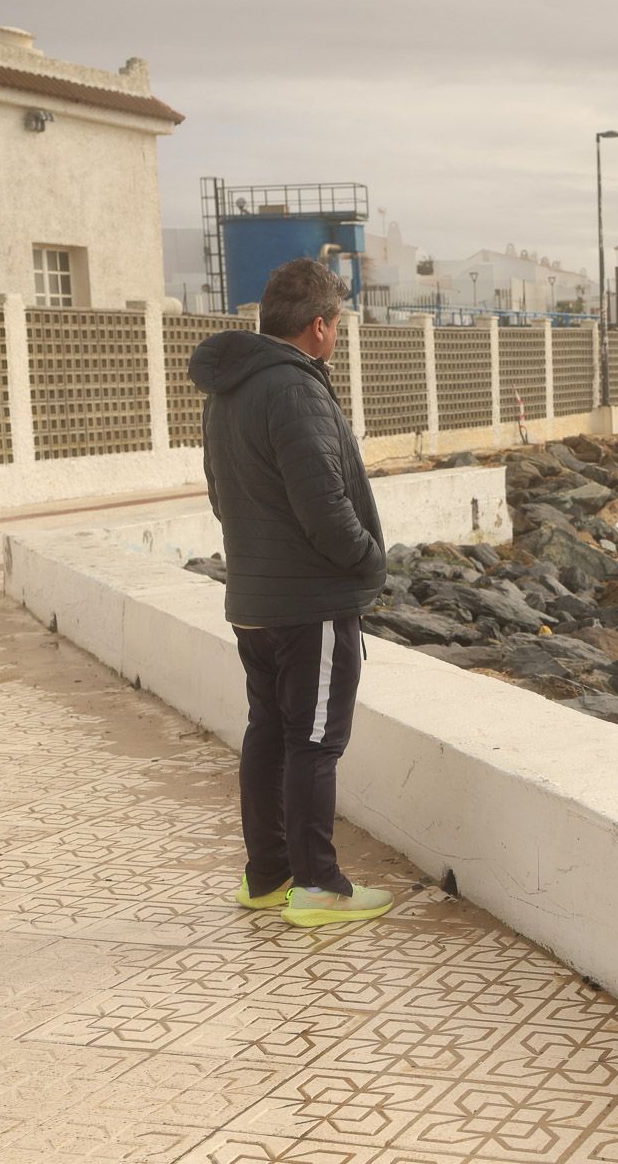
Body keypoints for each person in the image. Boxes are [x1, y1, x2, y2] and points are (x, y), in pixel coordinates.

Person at [191, 258, 393, 928]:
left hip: (253, 598)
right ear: (319, 326)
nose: (337, 334)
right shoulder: (296, 391)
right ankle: (319, 888)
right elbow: (325, 507)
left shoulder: (229, 390)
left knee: (269, 733)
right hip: (311, 603)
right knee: (314, 742)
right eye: (338, 322)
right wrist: (368, 562)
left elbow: (223, 498)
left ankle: (268, 876)